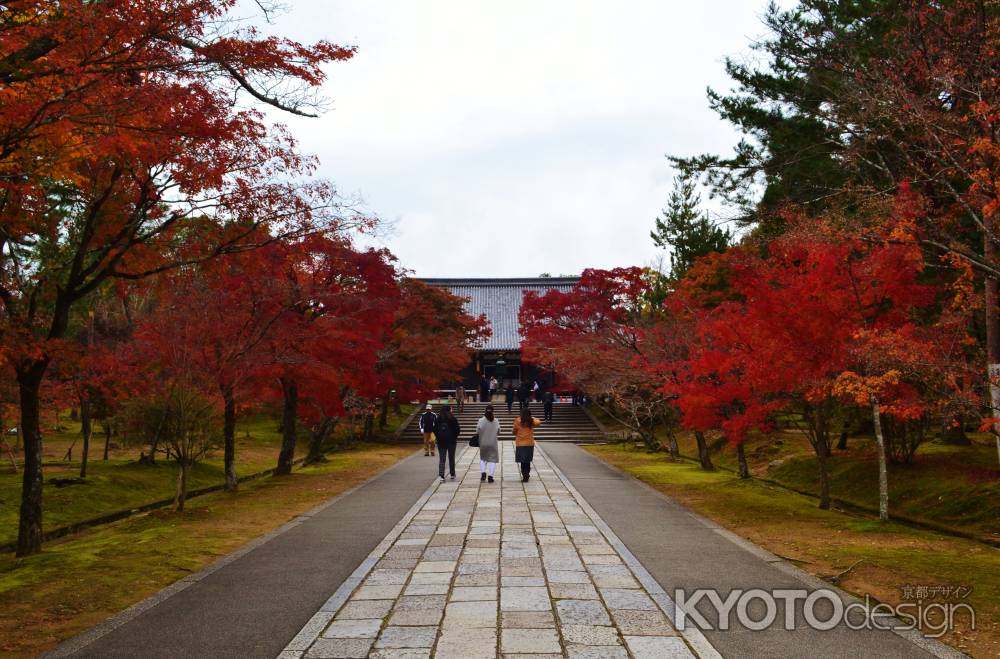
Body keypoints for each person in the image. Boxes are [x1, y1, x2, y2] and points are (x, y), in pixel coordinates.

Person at [512, 406, 541, 482]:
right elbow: (538, 422)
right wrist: (532, 417)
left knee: (522, 461)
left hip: (520, 444)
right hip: (529, 444)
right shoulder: (531, 421)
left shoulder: (518, 420)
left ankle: (524, 475)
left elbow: (514, 431)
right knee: (527, 460)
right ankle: (527, 474)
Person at [433, 405, 460, 481]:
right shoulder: (453, 419)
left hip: (441, 442)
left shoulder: (438, 419)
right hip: (451, 441)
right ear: (449, 410)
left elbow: (434, 429)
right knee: (451, 458)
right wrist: (454, 437)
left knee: (442, 459)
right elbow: (458, 430)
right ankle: (452, 474)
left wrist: (438, 437)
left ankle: (441, 475)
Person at [477, 404, 501, 483]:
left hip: (483, 443)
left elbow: (477, 431)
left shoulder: (481, 420)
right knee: (493, 460)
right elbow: (499, 432)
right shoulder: (496, 421)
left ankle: (483, 472)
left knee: (483, 458)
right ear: (493, 411)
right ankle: (491, 476)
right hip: (493, 443)